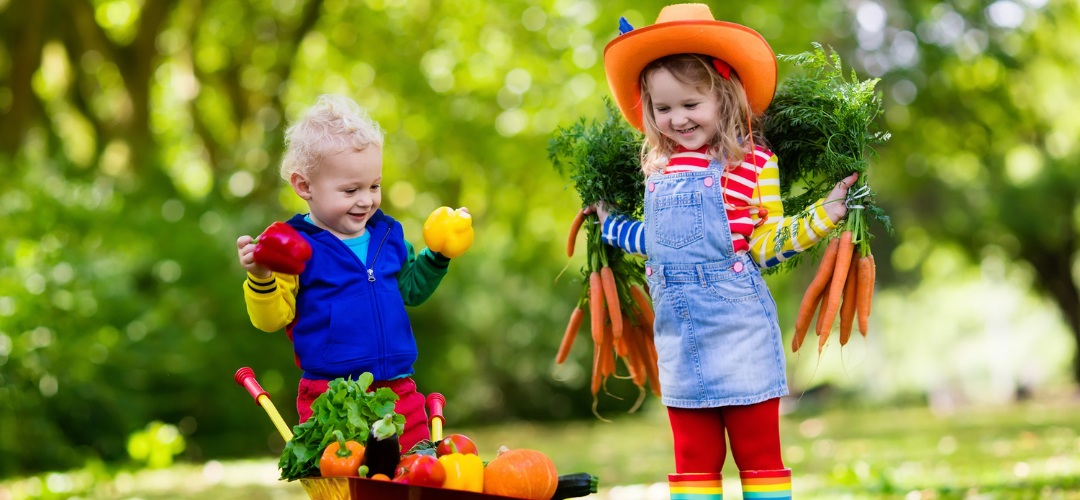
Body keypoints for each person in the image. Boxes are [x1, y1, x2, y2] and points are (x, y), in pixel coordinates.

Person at [596, 4, 857, 498]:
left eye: (690, 104)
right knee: (693, 459)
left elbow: (765, 244)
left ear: (724, 95)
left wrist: (825, 215)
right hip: (676, 337)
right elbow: (652, 241)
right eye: (663, 108)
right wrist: (610, 224)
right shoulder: (656, 168)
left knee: (758, 453)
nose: (677, 118)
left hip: (739, 331)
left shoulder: (754, 162)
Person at [235, 94, 469, 453]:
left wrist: (437, 255)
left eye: (374, 185)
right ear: (304, 186)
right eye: (350, 190)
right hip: (332, 396)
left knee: (417, 474)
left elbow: (410, 290)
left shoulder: (387, 236)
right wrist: (262, 275)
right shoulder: (292, 247)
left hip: (399, 391)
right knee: (347, 481)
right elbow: (271, 319)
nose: (366, 200)